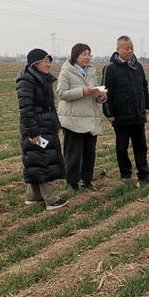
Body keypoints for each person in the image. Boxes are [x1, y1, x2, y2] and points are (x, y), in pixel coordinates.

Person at [16, 48, 68, 210]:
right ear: (35, 63)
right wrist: (33, 132)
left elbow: (50, 106)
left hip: (45, 125)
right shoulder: (27, 82)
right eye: (45, 61)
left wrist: (55, 123)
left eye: (49, 61)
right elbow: (26, 110)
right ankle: (52, 200)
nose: (49, 64)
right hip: (37, 127)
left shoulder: (42, 79)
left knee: (36, 159)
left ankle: (33, 196)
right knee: (45, 160)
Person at [102, 36, 149, 184]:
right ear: (118, 49)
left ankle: (144, 174)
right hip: (120, 116)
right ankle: (126, 174)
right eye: (126, 48)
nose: (130, 50)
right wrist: (109, 113)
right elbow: (105, 93)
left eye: (131, 48)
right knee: (122, 147)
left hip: (138, 114)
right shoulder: (110, 68)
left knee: (141, 146)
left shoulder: (138, 67)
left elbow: (144, 87)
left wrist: (146, 106)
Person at [57, 43, 107, 191]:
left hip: (90, 119)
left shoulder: (91, 72)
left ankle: (87, 180)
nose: (87, 57)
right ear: (75, 56)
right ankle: (72, 183)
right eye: (84, 54)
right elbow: (61, 94)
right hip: (73, 120)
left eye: (89, 54)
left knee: (89, 154)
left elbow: (95, 93)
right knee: (73, 155)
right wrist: (82, 91)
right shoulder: (66, 72)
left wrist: (101, 97)